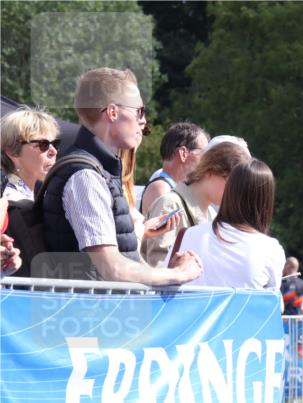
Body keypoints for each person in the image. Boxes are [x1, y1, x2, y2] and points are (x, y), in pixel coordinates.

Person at [39, 67, 202, 284]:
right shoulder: (85, 177)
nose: (143, 121)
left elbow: (122, 260)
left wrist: (164, 272)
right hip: (90, 314)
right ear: (113, 112)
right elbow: (112, 268)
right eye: (139, 112)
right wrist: (174, 275)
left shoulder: (98, 171)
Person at [170, 159, 284, 291]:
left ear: (229, 190)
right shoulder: (271, 249)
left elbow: (163, 285)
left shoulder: (187, 235)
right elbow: (272, 305)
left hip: (189, 311)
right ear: (266, 200)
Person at [142, 141, 251, 267]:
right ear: (211, 171)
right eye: (232, 184)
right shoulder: (170, 205)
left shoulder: (211, 213)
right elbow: (157, 264)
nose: (236, 193)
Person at [139, 122, 208, 214]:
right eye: (205, 152)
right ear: (183, 153)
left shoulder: (172, 188)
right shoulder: (162, 189)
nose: (208, 159)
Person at [1, 107, 59, 201]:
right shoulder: (9, 203)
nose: (54, 152)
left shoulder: (47, 196)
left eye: (55, 144)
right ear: (13, 152)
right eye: (43, 144)